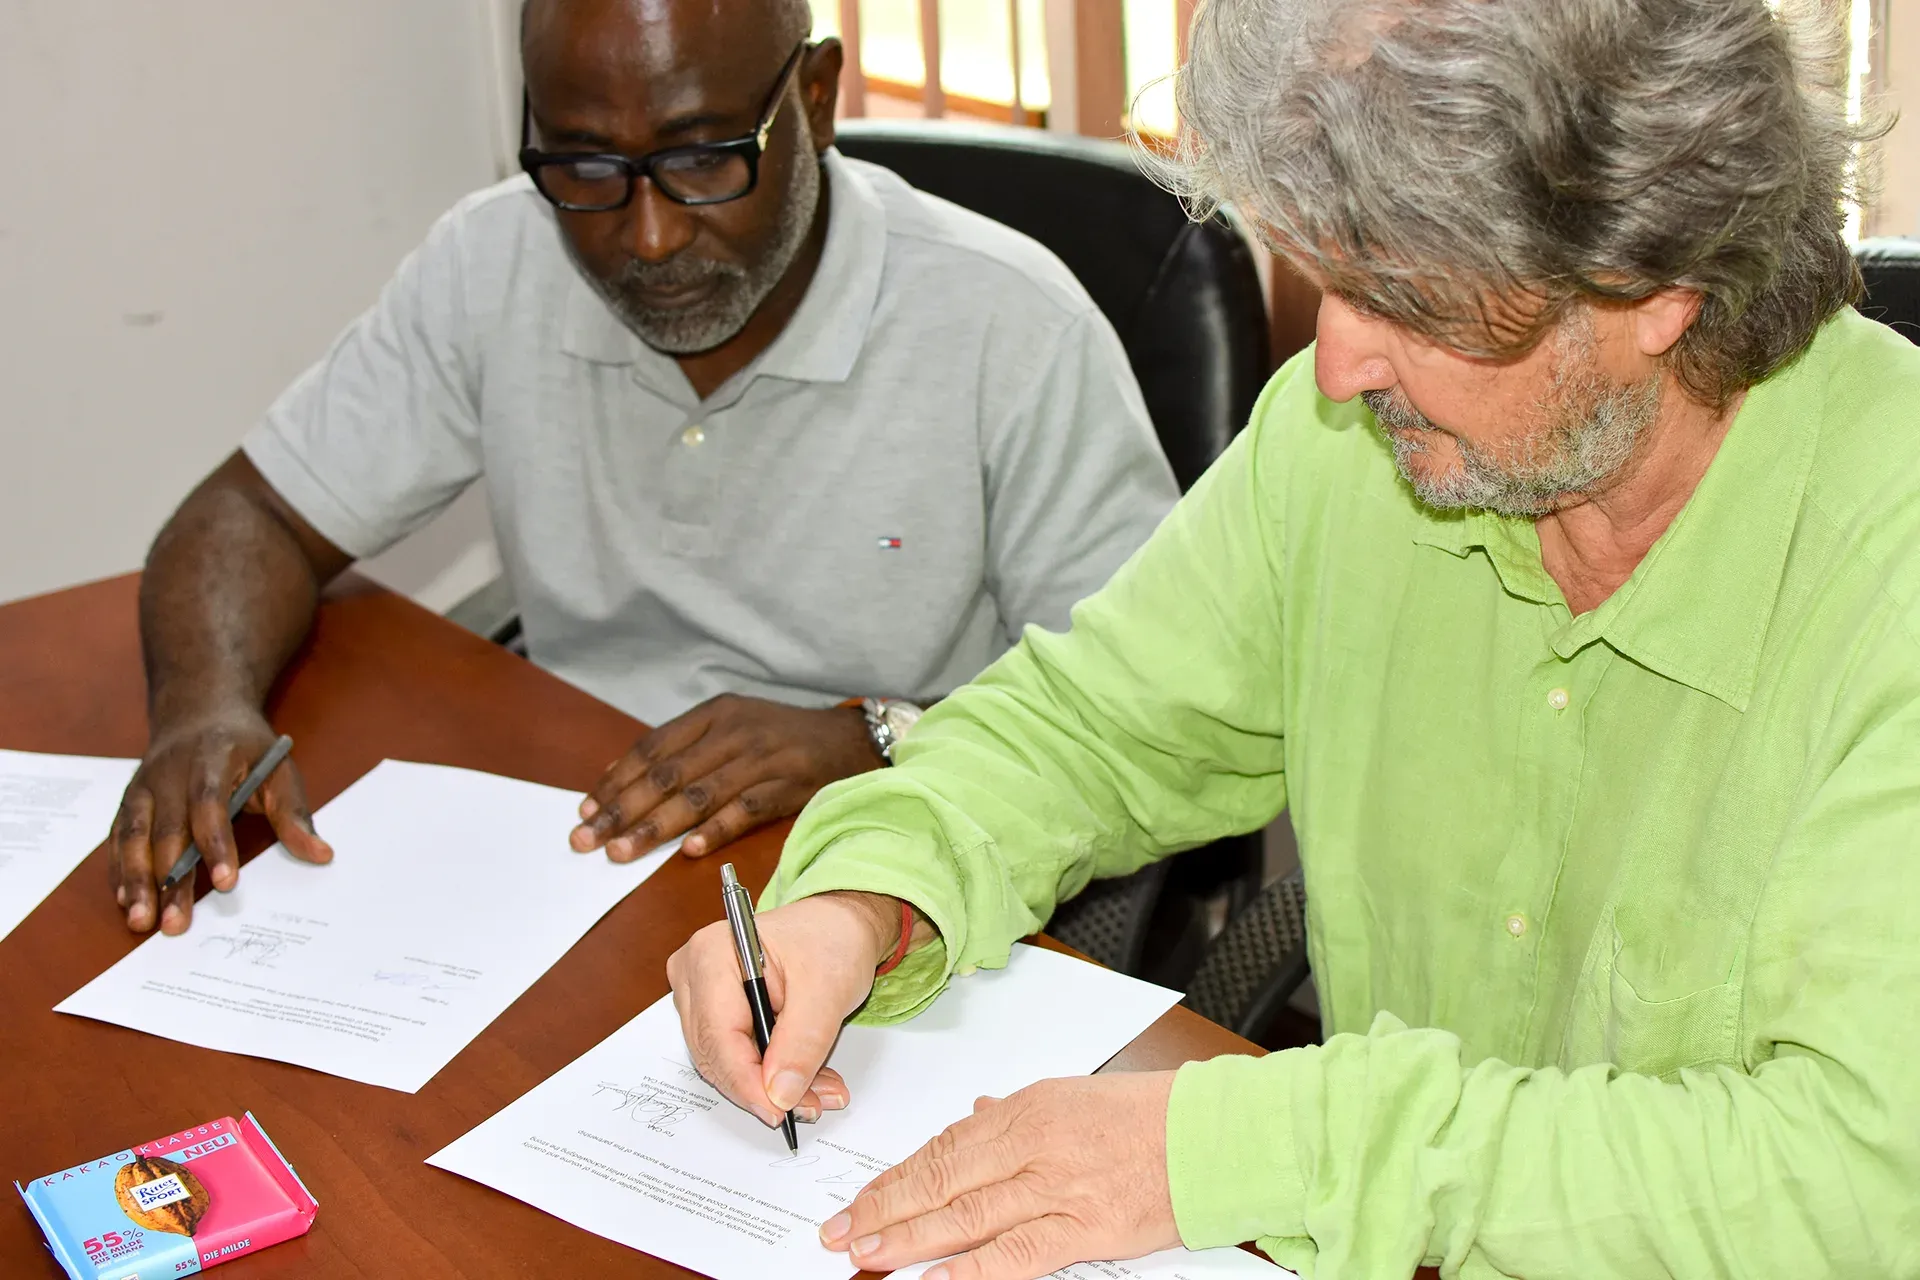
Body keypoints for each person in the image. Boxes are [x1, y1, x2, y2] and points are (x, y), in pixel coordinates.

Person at [666, 0, 1920, 1276]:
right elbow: (1089, 724)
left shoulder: (1894, 578)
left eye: (1407, 298)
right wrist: (864, 892)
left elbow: (1856, 1182)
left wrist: (1252, 1146)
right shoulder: (1354, 458)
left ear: (1653, 282)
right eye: (1331, 277)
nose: (1335, 366)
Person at [106, 0, 1179, 936]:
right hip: (569, 869)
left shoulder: (1012, 327)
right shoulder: (496, 261)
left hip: (891, 887)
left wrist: (879, 738)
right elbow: (255, 512)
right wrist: (203, 707)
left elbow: (1151, 729)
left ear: (814, 98)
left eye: (703, 157)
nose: (650, 236)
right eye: (584, 166)